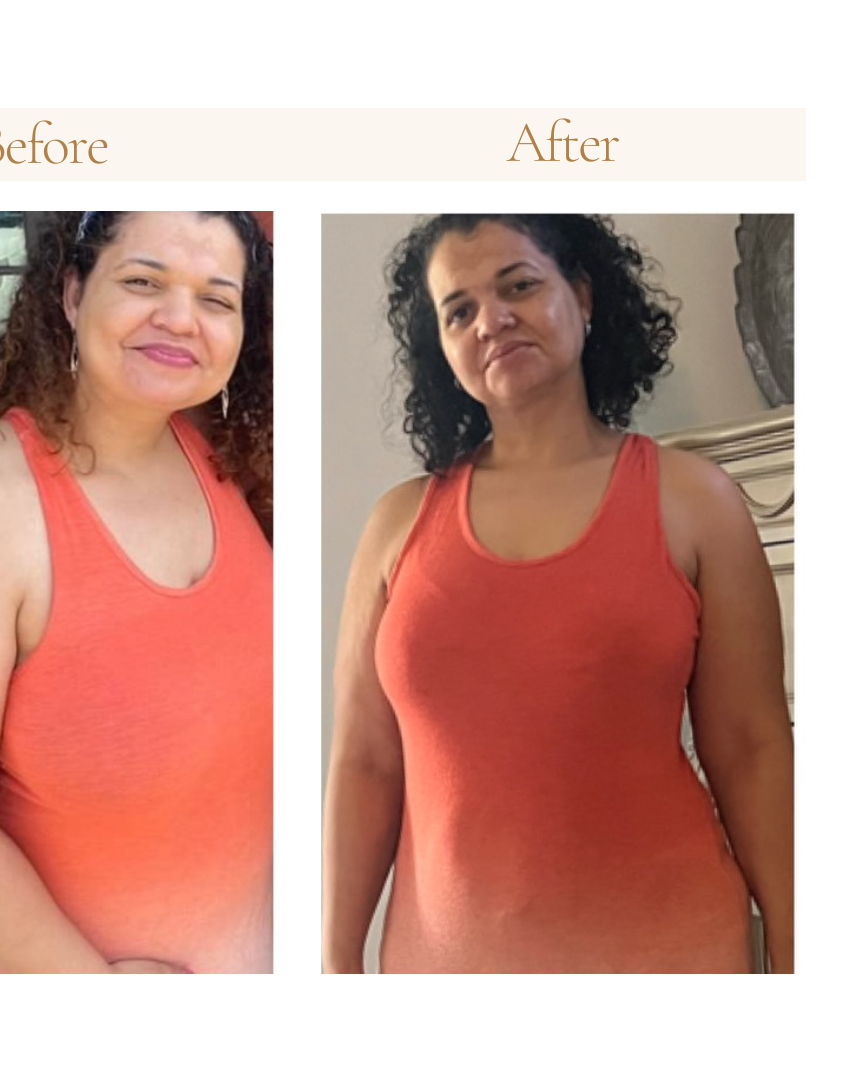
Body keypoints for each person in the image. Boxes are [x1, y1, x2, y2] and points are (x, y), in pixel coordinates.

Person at [323, 214, 793, 974]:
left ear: (583, 295)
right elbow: (365, 765)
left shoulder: (696, 504)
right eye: (460, 310)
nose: (492, 319)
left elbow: (752, 749)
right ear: (441, 349)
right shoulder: (396, 526)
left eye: (520, 285)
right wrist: (335, 965)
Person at [0, 211, 273, 974]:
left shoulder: (217, 458)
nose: (181, 318)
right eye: (143, 281)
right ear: (74, 294)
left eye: (218, 299)